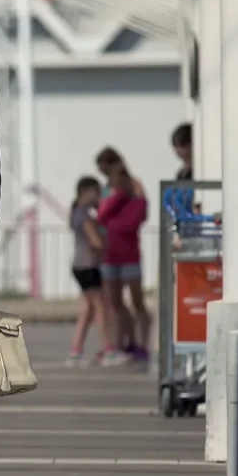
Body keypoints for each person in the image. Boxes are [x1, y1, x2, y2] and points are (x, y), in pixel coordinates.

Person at [94, 147, 150, 365]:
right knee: (114, 302)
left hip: (129, 253)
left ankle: (141, 343)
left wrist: (120, 198)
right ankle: (121, 343)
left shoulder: (133, 186)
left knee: (137, 300)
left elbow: (138, 215)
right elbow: (102, 215)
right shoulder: (109, 189)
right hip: (110, 252)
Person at [67, 176, 107, 367]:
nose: (99, 197)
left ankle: (76, 350)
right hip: (88, 265)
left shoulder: (76, 212)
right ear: (86, 191)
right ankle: (108, 349)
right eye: (97, 192)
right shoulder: (85, 216)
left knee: (88, 308)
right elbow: (96, 242)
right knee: (99, 307)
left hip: (79, 265)